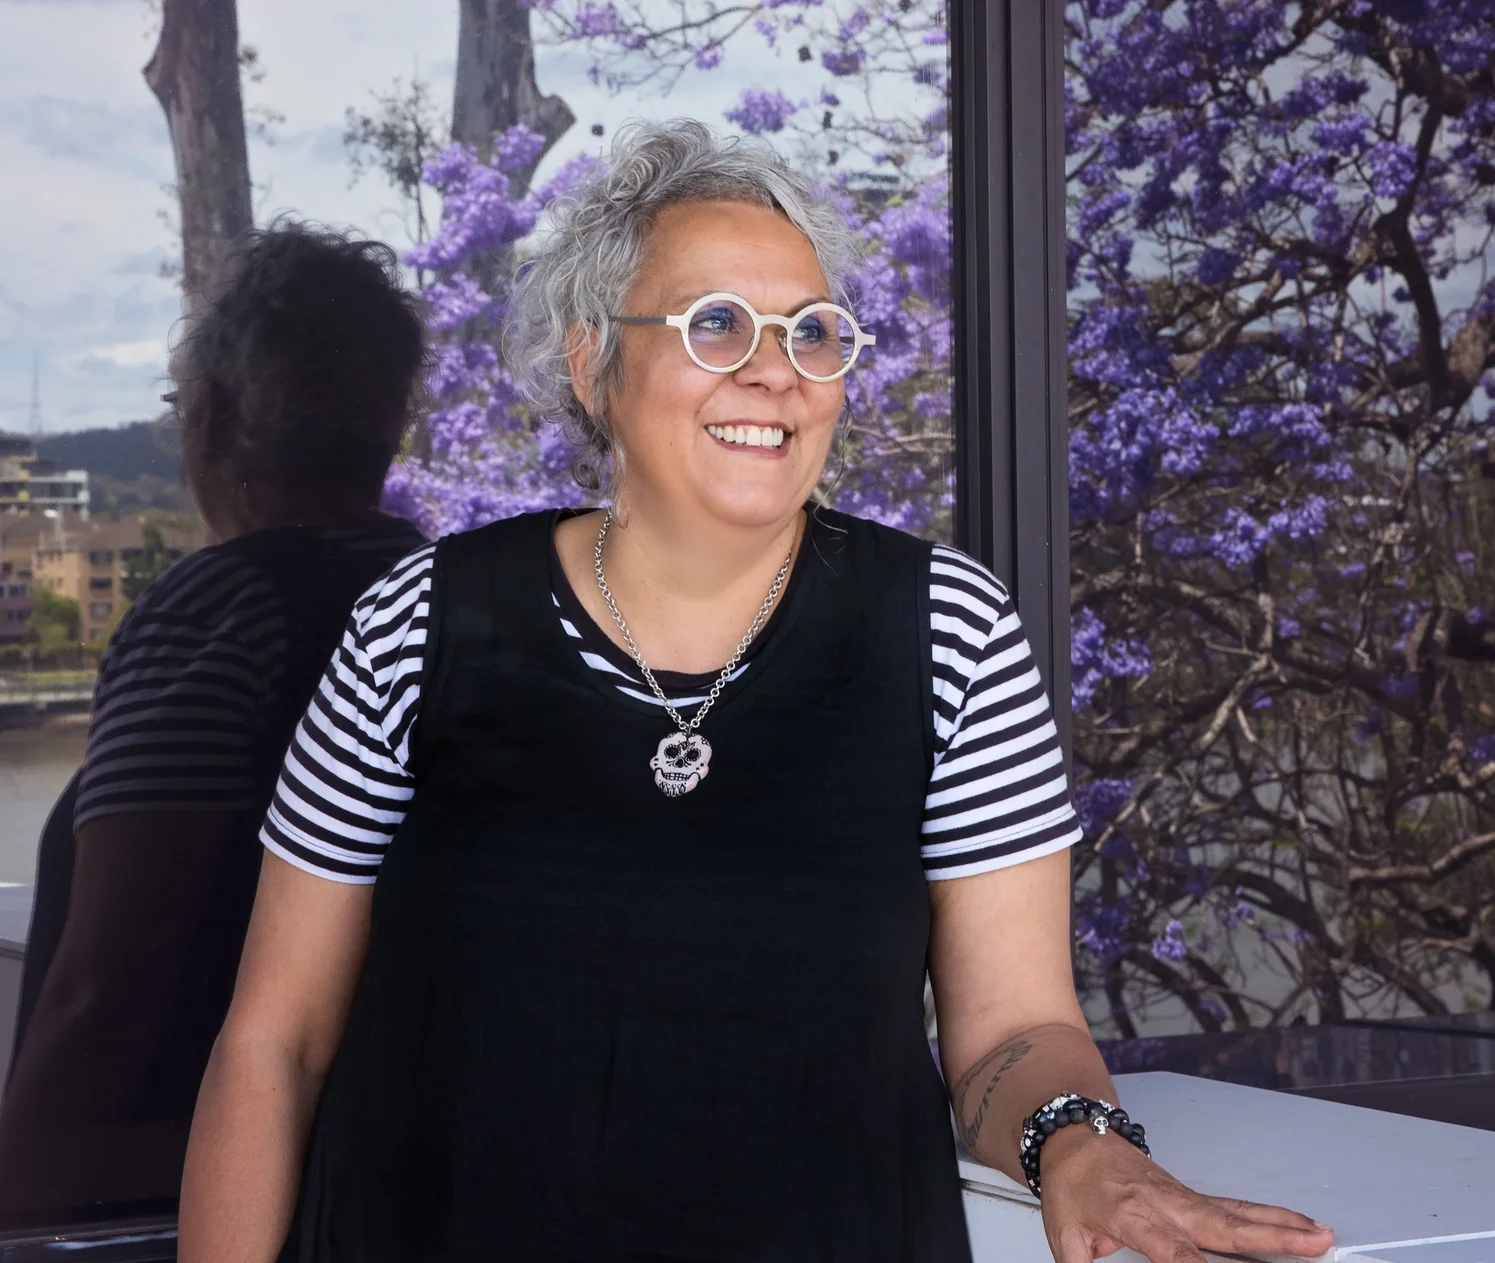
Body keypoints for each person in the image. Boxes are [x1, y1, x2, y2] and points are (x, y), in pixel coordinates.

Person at [178, 121, 1338, 1263]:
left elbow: (1014, 1028)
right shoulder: (420, 622)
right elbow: (274, 1043)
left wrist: (1080, 1147)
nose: (776, 370)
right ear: (594, 362)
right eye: (717, 325)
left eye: (812, 331)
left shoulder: (947, 632)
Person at [0, 224, 430, 1225]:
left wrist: (14, 1213)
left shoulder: (225, 606)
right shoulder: (454, 601)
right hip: (382, 1186)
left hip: (177, 1194)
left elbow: (108, 985)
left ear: (214, 420)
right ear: (385, 425)